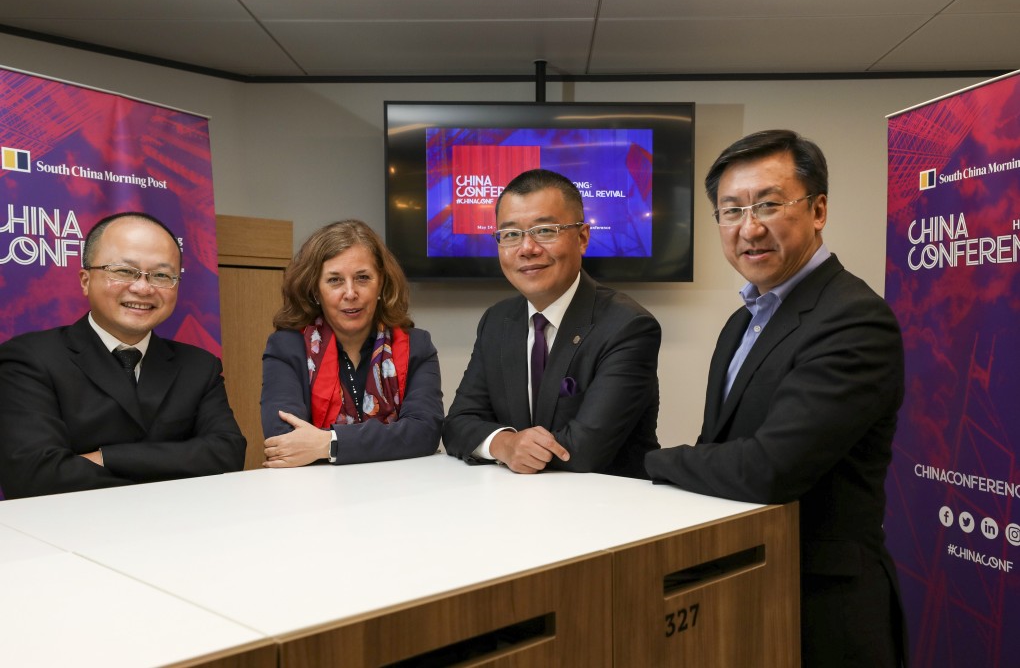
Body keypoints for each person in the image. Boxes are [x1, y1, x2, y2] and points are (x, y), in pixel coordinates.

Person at [645, 130, 906, 667]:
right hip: (746, 583)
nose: (750, 227)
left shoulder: (854, 318)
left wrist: (649, 462)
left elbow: (771, 468)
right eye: (731, 210)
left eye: (768, 204)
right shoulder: (743, 321)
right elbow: (719, 447)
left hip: (823, 608)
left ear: (818, 210)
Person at [0, 212, 246, 499]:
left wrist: (107, 457)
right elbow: (35, 475)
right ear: (85, 280)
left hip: (181, 531)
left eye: (161, 275)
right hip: (68, 534)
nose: (142, 287)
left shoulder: (199, 366)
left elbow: (226, 453)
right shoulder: (29, 359)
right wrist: (170, 471)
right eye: (123, 271)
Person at [443, 168, 660, 478]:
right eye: (511, 234)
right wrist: (505, 444)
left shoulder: (628, 326)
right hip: (517, 504)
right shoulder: (497, 320)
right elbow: (457, 425)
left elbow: (585, 451)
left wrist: (510, 446)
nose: (527, 248)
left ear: (583, 237)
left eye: (545, 231)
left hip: (610, 508)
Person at [260, 220, 442, 466]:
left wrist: (330, 443)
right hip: (317, 496)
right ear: (316, 291)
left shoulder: (416, 346)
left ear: (382, 284)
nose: (350, 293)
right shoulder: (286, 348)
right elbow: (284, 441)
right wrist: (389, 439)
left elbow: (425, 432)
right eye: (335, 280)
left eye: (363, 278)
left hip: (399, 492)